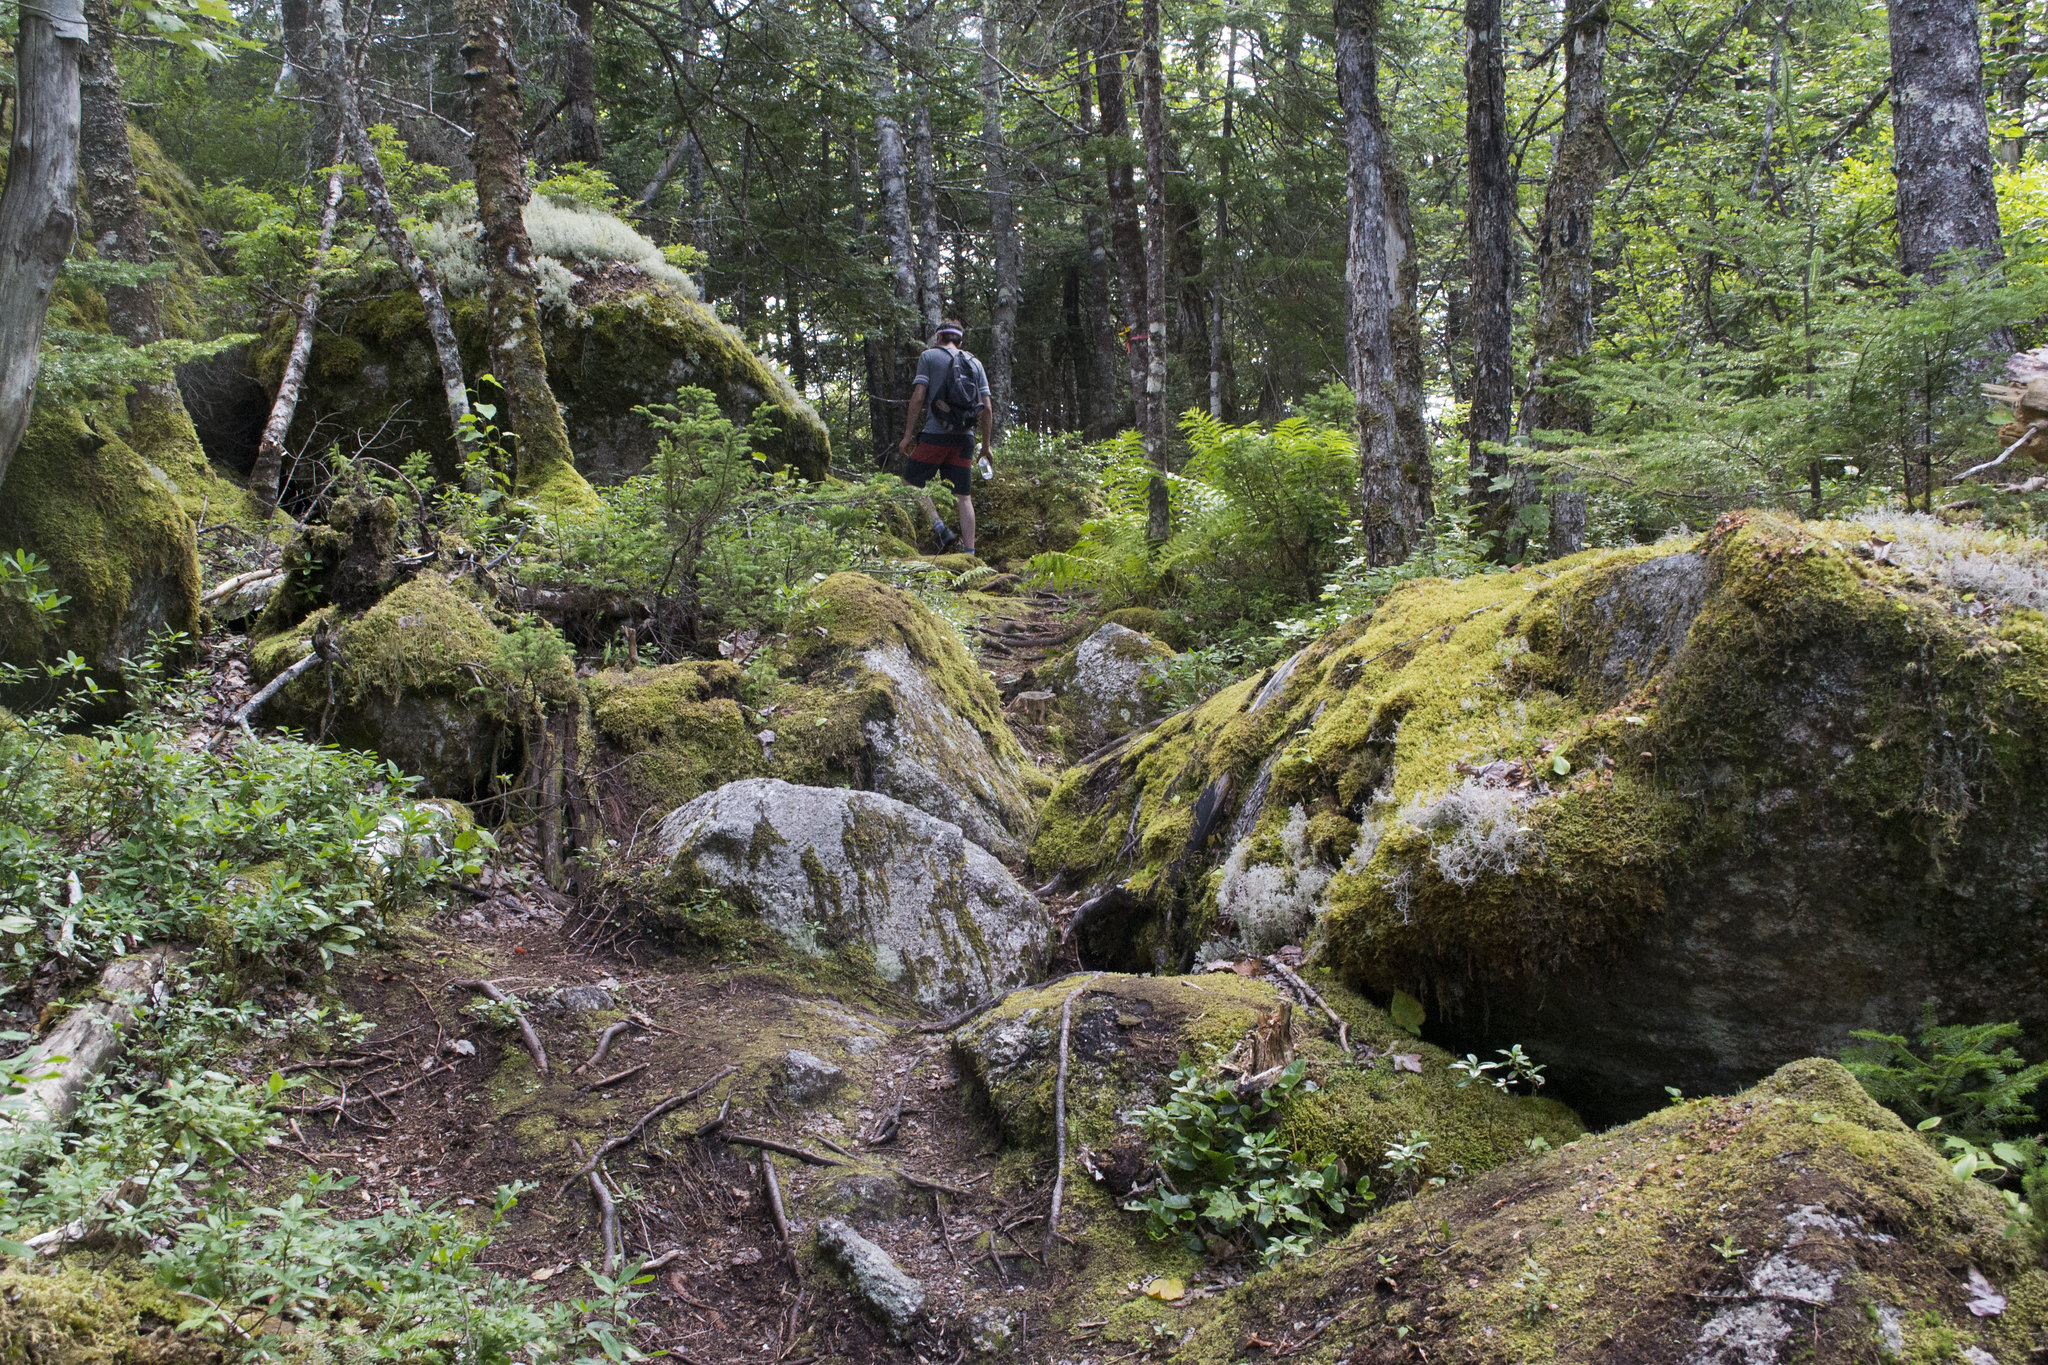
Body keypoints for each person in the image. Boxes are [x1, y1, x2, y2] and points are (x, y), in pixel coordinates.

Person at [898, 319, 993, 554]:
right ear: (961, 341)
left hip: (935, 435)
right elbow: (987, 408)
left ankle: (939, 526)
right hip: (965, 439)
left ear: (939, 338)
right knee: (964, 496)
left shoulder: (929, 357)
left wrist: (908, 435)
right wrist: (986, 446)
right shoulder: (975, 363)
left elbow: (919, 396)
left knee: (910, 481)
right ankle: (970, 553)